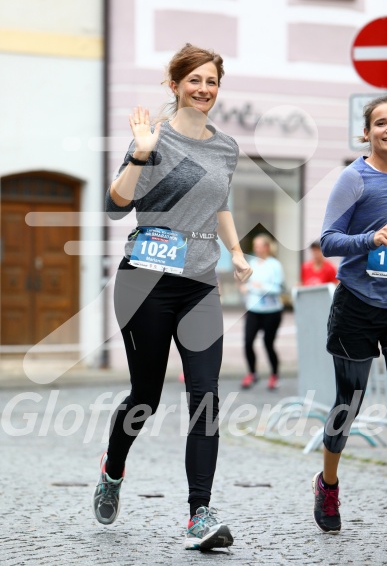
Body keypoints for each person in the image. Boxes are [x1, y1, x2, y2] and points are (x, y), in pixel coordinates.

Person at [92, 43, 252, 551]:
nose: (204, 89)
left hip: (200, 285)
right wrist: (141, 151)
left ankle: (199, 514)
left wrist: (238, 252)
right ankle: (113, 468)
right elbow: (117, 206)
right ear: (175, 85)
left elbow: (219, 201)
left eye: (212, 81)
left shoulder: (226, 146)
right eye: (195, 81)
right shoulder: (152, 137)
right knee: (146, 397)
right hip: (145, 283)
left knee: (205, 399)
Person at [312, 94, 387, 534]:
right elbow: (328, 240)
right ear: (367, 132)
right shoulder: (354, 179)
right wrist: (370, 240)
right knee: (350, 402)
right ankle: (328, 484)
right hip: (357, 303)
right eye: (381, 122)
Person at [239, 234, 284, 390]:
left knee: (268, 343)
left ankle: (274, 375)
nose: (256, 249)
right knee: (247, 342)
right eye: (255, 246)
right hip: (253, 311)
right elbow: (249, 284)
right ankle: (252, 373)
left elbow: (278, 288)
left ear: (266, 247)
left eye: (259, 245)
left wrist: (260, 287)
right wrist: (246, 287)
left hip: (272, 311)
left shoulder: (275, 265)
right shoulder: (252, 263)